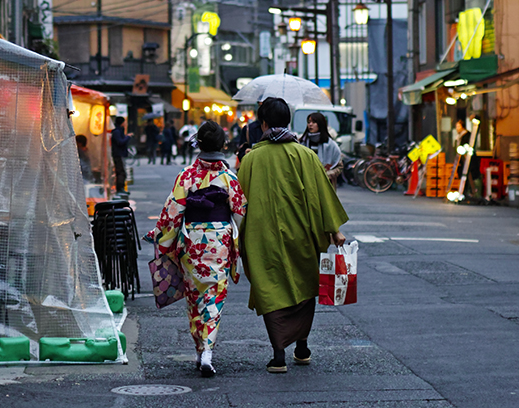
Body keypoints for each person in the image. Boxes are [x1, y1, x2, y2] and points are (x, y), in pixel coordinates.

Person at [237, 97, 348, 373]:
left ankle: (278, 354)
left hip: (263, 238)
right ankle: (302, 344)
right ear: (288, 122)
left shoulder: (251, 160)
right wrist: (334, 230)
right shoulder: (306, 156)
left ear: (262, 124)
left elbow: (237, 201)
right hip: (303, 235)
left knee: (270, 288)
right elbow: (323, 196)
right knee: (303, 288)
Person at [146, 121, 247, 377]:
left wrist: (159, 236)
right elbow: (240, 213)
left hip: (192, 241)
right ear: (224, 145)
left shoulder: (186, 176)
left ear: (198, 144)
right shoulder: (229, 177)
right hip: (219, 241)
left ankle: (200, 349)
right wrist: (235, 237)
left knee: (194, 297)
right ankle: (208, 351)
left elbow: (172, 214)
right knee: (214, 296)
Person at [299, 112, 343, 188]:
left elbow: (339, 166)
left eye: (314, 122)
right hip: (305, 184)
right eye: (309, 122)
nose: (310, 124)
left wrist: (327, 175)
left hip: (325, 185)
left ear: (321, 124)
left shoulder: (331, 145)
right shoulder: (302, 143)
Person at [111, 117, 133, 193]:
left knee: (121, 171)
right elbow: (120, 142)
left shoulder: (118, 131)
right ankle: (120, 188)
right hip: (119, 154)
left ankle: (121, 188)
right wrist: (128, 137)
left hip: (120, 153)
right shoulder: (117, 132)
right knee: (121, 171)